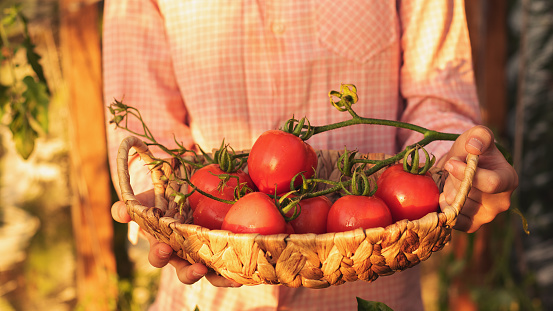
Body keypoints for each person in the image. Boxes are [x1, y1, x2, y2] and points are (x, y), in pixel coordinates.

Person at [103, 0, 518, 310]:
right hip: (204, 291)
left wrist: (457, 168)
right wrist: (162, 211)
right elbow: (144, 134)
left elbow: (438, 97)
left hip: (373, 286)